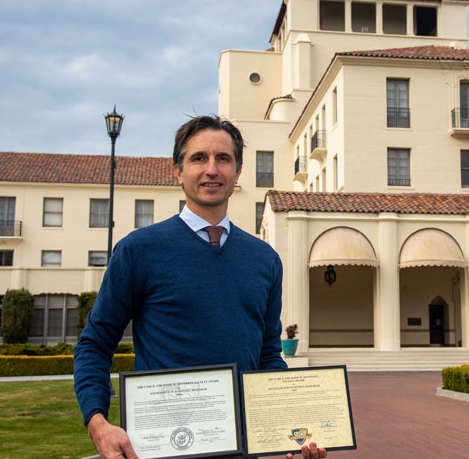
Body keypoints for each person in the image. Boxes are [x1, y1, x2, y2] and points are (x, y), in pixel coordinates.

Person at [74, 115, 327, 459]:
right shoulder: (139, 250)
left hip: (243, 450)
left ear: (238, 172)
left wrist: (292, 431)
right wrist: (97, 423)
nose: (212, 169)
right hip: (160, 448)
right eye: (198, 158)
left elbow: (268, 354)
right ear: (178, 171)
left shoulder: (264, 259)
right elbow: (94, 343)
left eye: (223, 159)